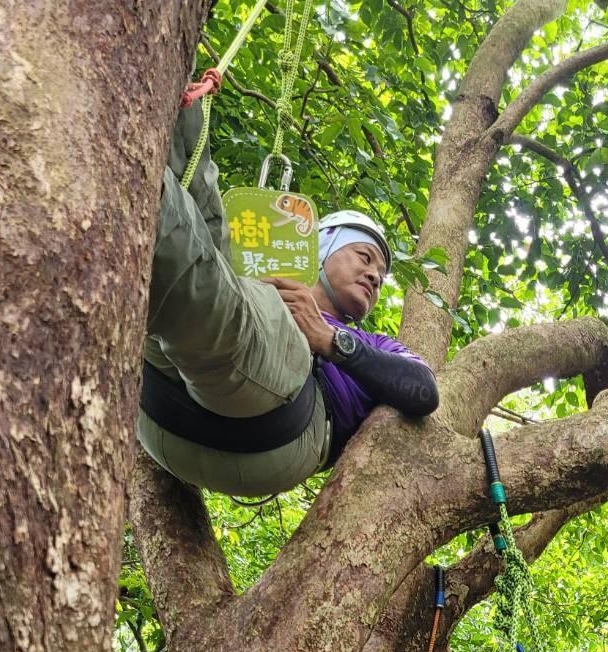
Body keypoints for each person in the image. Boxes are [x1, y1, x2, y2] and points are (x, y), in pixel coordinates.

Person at [138, 103, 438, 498]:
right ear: (322, 251)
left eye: (380, 278)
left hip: (272, 435)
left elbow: (424, 389)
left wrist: (329, 340)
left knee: (218, 298)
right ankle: (172, 97)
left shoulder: (375, 344)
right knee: (203, 203)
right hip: (158, 403)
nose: (373, 276)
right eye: (364, 258)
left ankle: (129, 169)